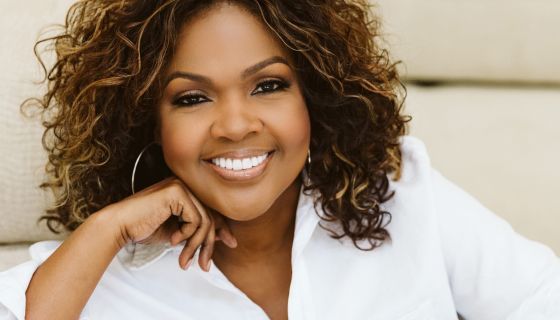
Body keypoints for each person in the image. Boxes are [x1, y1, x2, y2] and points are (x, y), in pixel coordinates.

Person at [1, 0, 559, 319]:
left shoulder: (403, 193)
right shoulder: (100, 268)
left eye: (268, 86)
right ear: (148, 123)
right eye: (192, 98)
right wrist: (107, 228)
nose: (237, 124)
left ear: (315, 98)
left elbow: (541, 297)